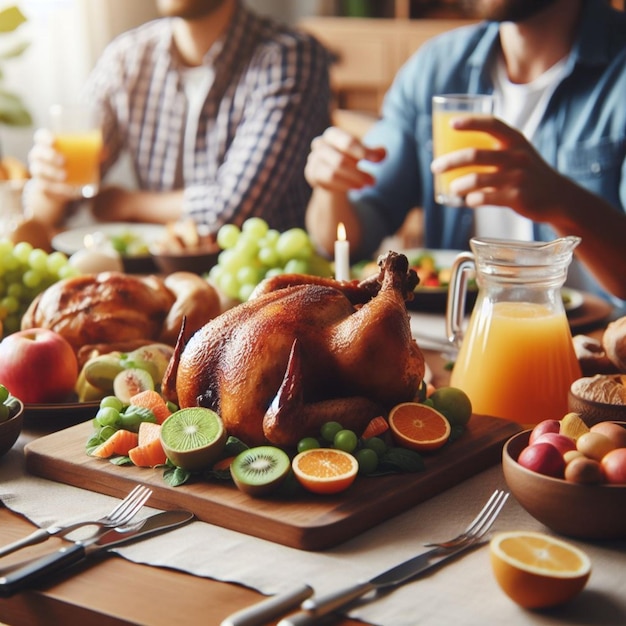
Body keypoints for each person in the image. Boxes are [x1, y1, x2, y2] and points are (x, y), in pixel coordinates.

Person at [304, 0, 626, 304]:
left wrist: (562, 201)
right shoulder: (436, 67)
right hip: (459, 342)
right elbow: (348, 240)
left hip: (594, 350)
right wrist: (331, 188)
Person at [26, 0, 331, 235]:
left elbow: (233, 212)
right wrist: (48, 184)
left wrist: (128, 204)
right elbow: (58, 203)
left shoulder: (289, 57)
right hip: (159, 278)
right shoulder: (127, 58)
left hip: (268, 294)